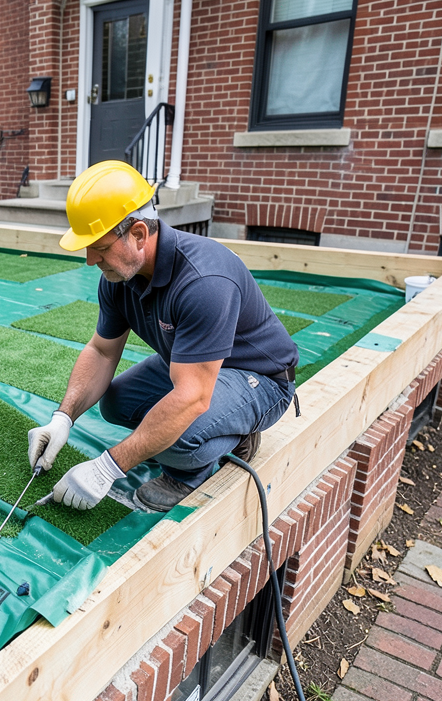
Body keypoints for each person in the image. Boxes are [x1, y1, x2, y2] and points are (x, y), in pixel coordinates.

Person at [28, 161, 299, 513]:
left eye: (99, 246)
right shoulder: (119, 277)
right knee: (117, 402)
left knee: (177, 436)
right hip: (194, 367)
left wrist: (108, 467)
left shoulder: (204, 281)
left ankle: (198, 465)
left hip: (261, 380)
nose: (90, 259)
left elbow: (192, 398)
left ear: (139, 233)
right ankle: (213, 428)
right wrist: (62, 418)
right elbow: (102, 351)